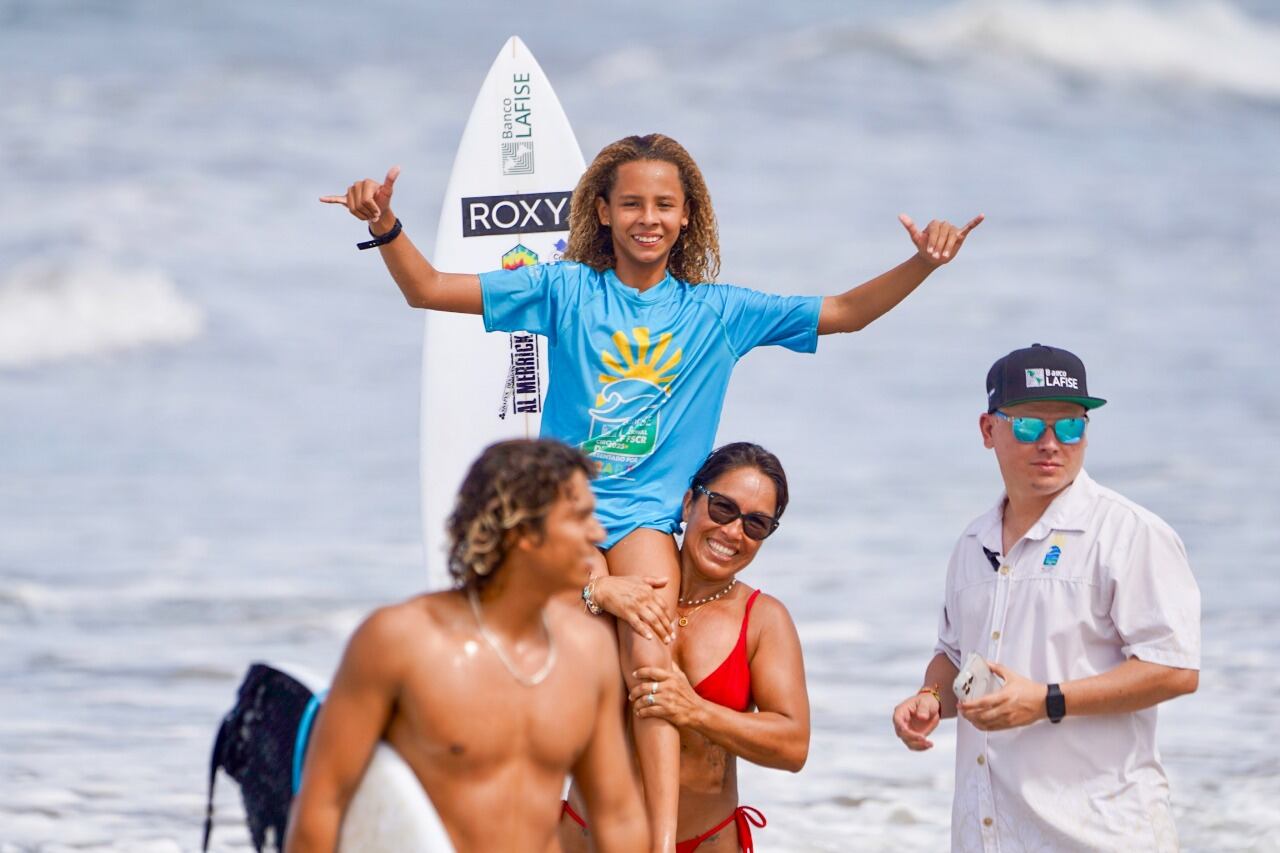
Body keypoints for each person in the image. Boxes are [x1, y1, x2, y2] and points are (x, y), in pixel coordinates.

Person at [323, 133, 979, 850]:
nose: (649, 217)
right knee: (574, 620)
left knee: (651, 653)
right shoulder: (563, 288)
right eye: (631, 201)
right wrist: (383, 225)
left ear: (688, 216)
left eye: (665, 204)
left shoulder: (719, 314)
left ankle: (659, 839)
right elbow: (426, 289)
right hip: (558, 516)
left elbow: (848, 312)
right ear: (601, 211)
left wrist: (924, 260)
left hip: (641, 519)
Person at [891, 343, 1200, 852]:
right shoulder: (973, 543)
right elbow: (952, 657)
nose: (1052, 443)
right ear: (988, 430)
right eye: (1031, 425)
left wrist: (1046, 701)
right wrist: (930, 698)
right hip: (985, 836)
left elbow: (1174, 669)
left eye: (1071, 426)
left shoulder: (1131, 533)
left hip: (1099, 836)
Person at [285, 439, 648, 852]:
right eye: (580, 517)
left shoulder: (587, 651)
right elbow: (322, 806)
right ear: (523, 532)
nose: (598, 532)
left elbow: (617, 817)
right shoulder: (401, 640)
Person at [560, 442, 810, 853]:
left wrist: (695, 710)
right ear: (689, 501)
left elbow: (793, 745)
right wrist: (595, 590)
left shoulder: (763, 619)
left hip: (704, 843)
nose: (733, 532)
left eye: (756, 524)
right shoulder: (620, 578)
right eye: (723, 508)